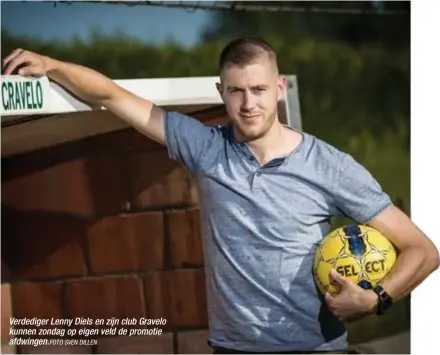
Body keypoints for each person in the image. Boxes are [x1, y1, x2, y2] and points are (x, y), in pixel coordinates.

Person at [3, 38, 439, 354]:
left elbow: (423, 250)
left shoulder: (331, 166)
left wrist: (375, 298)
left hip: (315, 348)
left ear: (279, 89)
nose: (249, 104)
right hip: (231, 350)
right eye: (236, 91)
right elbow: (112, 95)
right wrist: (51, 64)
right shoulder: (205, 147)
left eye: (259, 89)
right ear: (222, 93)